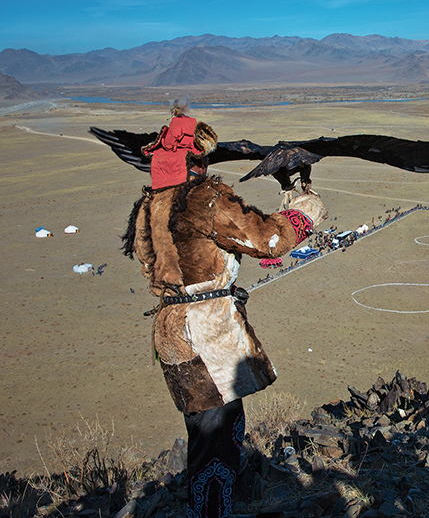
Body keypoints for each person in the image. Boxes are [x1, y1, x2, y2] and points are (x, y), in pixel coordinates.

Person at [122, 108, 327, 518]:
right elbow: (267, 239)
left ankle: (208, 508)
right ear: (197, 156)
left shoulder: (149, 205)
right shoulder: (202, 198)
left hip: (171, 329)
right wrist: (302, 212)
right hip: (204, 328)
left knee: (205, 429)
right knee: (218, 434)